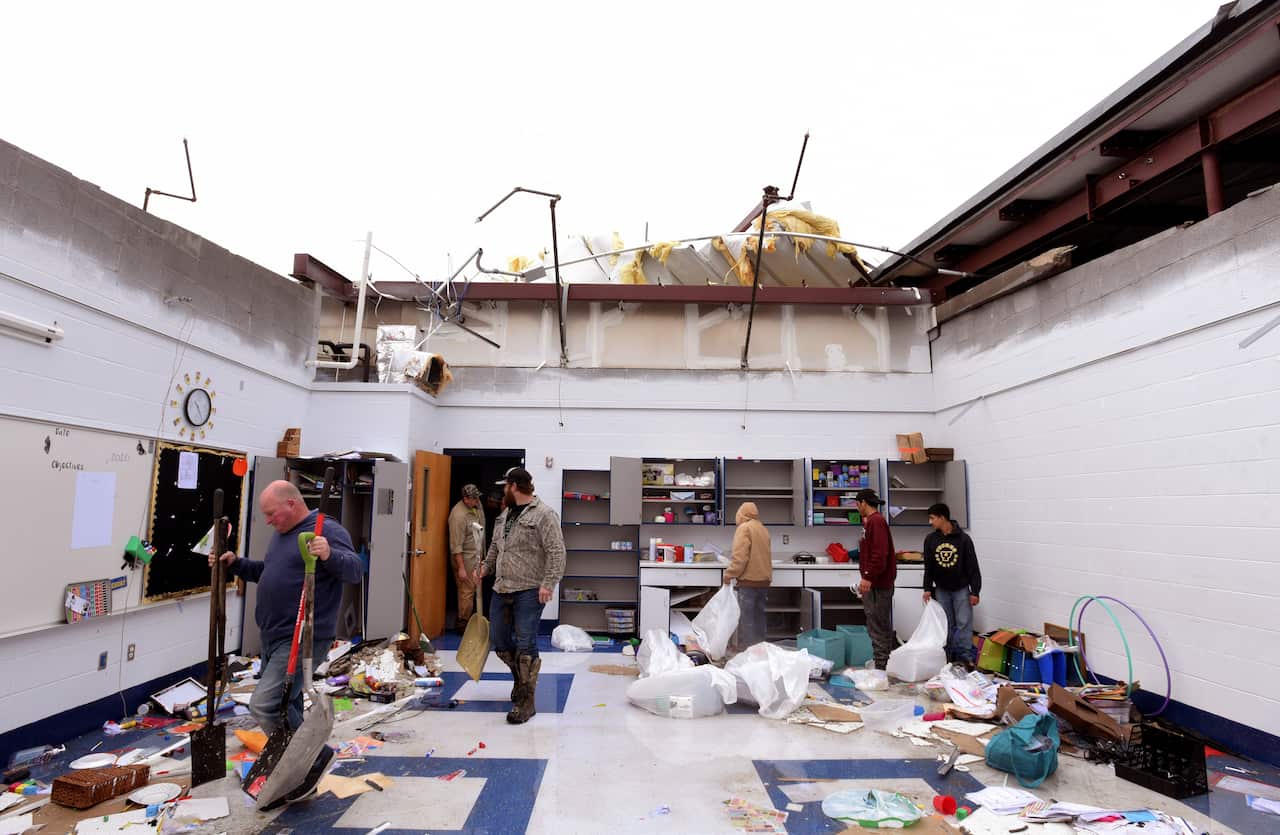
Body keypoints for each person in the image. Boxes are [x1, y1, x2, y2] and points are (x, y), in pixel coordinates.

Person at [212, 480, 362, 736]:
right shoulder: (282, 534)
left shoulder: (325, 529)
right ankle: (307, 759)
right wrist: (236, 564)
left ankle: (300, 759)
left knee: (264, 705)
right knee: (286, 704)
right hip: (273, 635)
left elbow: (355, 570)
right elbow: (269, 572)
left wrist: (328, 554)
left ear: (291, 504)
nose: (268, 521)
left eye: (271, 514)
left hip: (303, 636)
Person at [473, 467, 565, 724]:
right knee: (499, 638)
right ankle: (519, 678)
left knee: (526, 642)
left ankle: (526, 701)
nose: (503, 491)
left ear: (514, 486)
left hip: (529, 589)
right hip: (502, 587)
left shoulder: (544, 515)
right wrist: (485, 568)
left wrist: (549, 583)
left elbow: (557, 552)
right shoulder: (505, 515)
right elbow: (494, 547)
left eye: (505, 486)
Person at [922, 503, 982, 666]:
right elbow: (929, 566)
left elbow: (973, 567)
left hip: (961, 588)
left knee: (964, 623)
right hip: (941, 589)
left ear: (943, 517)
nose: (930, 522)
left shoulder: (963, 539)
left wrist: (975, 591)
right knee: (945, 623)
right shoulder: (931, 539)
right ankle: (946, 656)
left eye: (933, 518)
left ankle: (964, 657)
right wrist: (927, 588)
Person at [855, 488, 897, 670]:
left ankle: (881, 667)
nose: (857, 509)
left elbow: (879, 554)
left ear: (863, 503)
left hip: (878, 584)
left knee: (877, 624)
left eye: (857, 505)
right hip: (875, 583)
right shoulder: (870, 522)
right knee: (876, 623)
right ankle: (881, 662)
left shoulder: (876, 522)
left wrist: (868, 577)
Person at [723, 502, 772, 650]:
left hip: (749, 581)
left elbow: (740, 558)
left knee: (747, 619)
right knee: (759, 618)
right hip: (763, 581)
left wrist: (729, 574)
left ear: (741, 514)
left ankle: (748, 652)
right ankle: (760, 649)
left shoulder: (744, 528)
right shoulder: (763, 528)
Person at [449, 484, 485, 630]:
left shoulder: (476, 505)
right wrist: (461, 568)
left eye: (477, 498)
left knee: (476, 589)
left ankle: (474, 621)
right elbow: (456, 545)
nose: (477, 501)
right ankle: (462, 623)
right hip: (465, 558)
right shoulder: (458, 516)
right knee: (466, 591)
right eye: (473, 499)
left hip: (477, 556)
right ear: (465, 499)